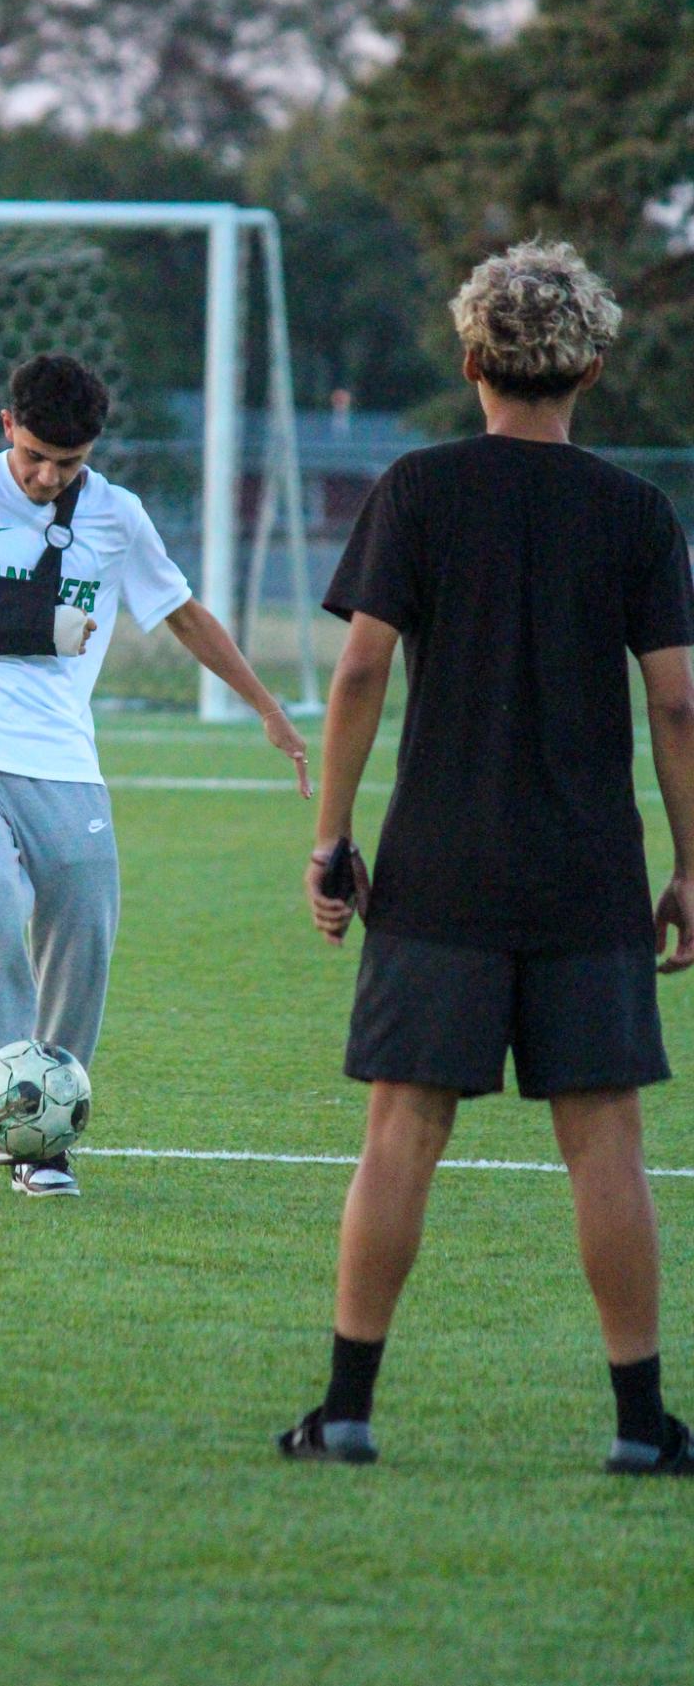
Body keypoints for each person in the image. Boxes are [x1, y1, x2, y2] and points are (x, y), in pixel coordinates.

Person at [280, 239, 694, 1476]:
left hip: (439, 867)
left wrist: (331, 838)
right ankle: (639, 1428)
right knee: (605, 1142)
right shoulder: (636, 511)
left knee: (400, 1132)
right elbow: (677, 707)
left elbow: (358, 668)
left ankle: (346, 1411)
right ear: (593, 369)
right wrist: (690, 866)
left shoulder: (413, 488)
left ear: (469, 362)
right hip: (585, 875)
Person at [0, 352, 311, 1196]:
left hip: (60, 756)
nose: (50, 477)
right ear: (8, 427)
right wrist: (42, 623)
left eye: (71, 464)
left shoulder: (118, 517)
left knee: (84, 924)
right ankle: (11, 1110)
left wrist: (266, 706)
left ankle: (50, 1111)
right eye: (36, 458)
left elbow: (184, 614)